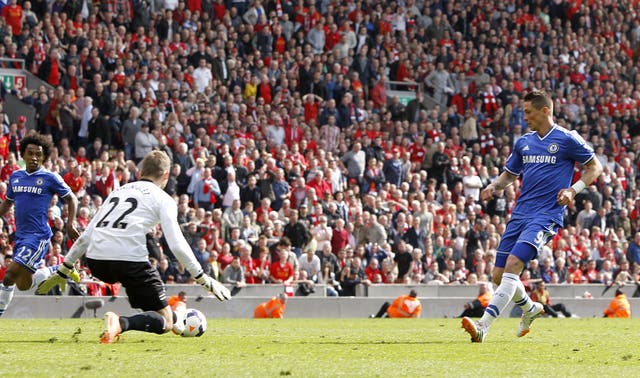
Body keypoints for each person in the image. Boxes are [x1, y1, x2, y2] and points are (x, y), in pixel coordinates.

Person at [37, 151, 231, 343]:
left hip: (97, 262)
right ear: (165, 176)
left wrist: (64, 269)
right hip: (129, 261)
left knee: (159, 311)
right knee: (166, 322)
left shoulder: (117, 191)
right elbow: (177, 245)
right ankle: (120, 323)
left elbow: (86, 235)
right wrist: (202, 277)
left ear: (140, 173)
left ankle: (177, 314)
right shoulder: (163, 199)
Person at [461, 91, 603, 343]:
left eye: (528, 111)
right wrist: (494, 186)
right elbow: (510, 174)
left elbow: (595, 167)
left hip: (546, 214)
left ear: (545, 110)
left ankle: (483, 326)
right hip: (520, 212)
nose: (524, 116)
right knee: (498, 275)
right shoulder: (523, 142)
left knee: (514, 264)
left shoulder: (567, 139)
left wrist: (573, 190)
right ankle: (530, 309)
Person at [0, 133, 80, 317]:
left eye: (39, 154)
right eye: (31, 153)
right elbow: (7, 203)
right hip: (21, 236)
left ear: (44, 157)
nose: (34, 158)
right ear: (23, 155)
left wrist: (70, 223)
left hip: (38, 237)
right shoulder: (15, 177)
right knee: (23, 284)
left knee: (9, 275)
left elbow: (72, 198)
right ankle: (59, 269)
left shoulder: (50, 177)